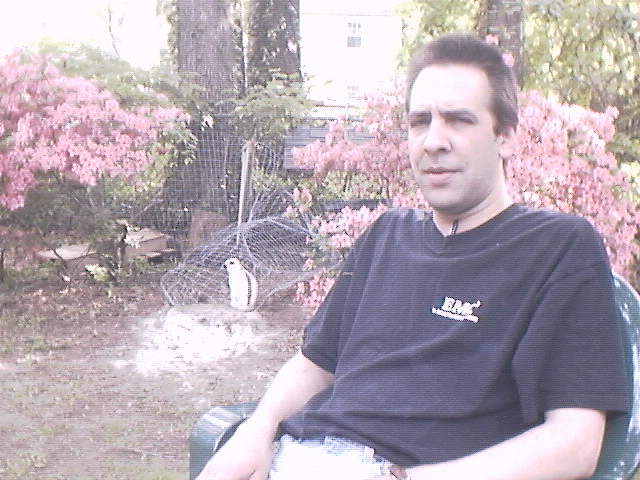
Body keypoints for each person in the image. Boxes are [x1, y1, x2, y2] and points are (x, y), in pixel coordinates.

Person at [196, 33, 629, 480]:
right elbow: (315, 364)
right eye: (420, 121)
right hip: (299, 459)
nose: (433, 141)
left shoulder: (557, 247)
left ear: (505, 137)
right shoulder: (386, 236)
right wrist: (257, 429)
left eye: (458, 120)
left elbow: (575, 445)